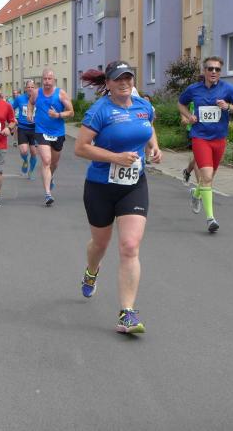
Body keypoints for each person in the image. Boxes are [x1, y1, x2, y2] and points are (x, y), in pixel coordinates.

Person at [74, 61, 162, 334]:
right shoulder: (99, 111)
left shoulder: (143, 106)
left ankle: (127, 313)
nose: (124, 83)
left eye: (128, 78)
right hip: (100, 186)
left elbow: (148, 128)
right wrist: (115, 157)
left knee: (130, 246)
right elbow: (80, 148)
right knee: (100, 244)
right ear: (108, 83)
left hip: (134, 184)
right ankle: (91, 270)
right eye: (118, 79)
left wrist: (154, 147)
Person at [178, 56, 233, 233]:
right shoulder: (194, 89)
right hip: (200, 138)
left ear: (220, 72)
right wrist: (189, 116)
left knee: (208, 178)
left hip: (219, 139)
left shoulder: (228, 89)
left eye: (217, 69)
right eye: (210, 69)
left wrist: (228, 107)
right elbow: (181, 103)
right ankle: (210, 219)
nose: (214, 72)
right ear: (204, 71)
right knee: (207, 176)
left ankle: (196, 194)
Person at [28, 69, 74, 206]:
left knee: (54, 163)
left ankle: (50, 176)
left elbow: (71, 112)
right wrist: (29, 113)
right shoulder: (37, 93)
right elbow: (31, 103)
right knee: (46, 160)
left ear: (54, 80)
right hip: (41, 130)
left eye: (49, 79)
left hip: (58, 133)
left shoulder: (61, 93)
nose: (47, 81)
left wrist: (58, 115)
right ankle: (48, 194)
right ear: (42, 80)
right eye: (45, 79)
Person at [12, 80, 38, 178]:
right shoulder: (19, 99)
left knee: (34, 152)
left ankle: (31, 171)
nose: (30, 89)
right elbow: (11, 108)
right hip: (22, 128)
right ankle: (25, 160)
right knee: (24, 151)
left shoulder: (38, 99)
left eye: (32, 87)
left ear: (35, 88)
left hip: (34, 129)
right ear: (25, 88)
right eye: (28, 87)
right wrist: (13, 118)